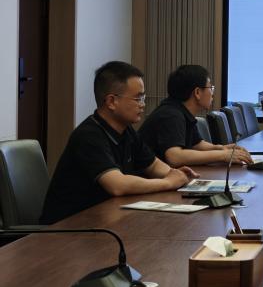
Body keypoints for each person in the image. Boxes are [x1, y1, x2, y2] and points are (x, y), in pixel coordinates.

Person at [40, 61, 198, 224]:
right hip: (69, 227)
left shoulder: (126, 130)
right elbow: (117, 185)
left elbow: (153, 165)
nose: (143, 104)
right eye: (138, 98)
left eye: (143, 98)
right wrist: (167, 182)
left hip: (104, 218)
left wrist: (174, 174)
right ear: (111, 101)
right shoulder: (88, 136)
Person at [139, 65, 252, 167]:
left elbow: (196, 144)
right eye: (210, 88)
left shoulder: (182, 111)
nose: (212, 93)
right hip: (146, 179)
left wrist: (221, 148)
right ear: (197, 92)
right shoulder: (171, 114)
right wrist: (222, 155)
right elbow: (174, 157)